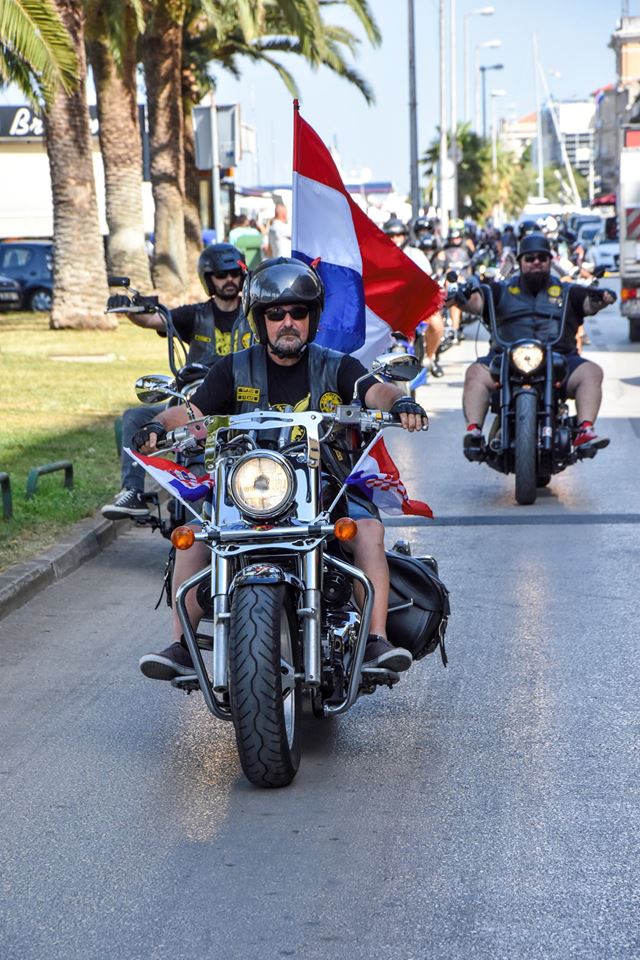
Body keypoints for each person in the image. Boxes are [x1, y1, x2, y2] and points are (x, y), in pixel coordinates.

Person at [132, 257, 429, 682]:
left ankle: (375, 639)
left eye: (298, 313)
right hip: (247, 489)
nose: (287, 321)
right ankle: (182, 644)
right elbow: (191, 411)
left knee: (369, 530)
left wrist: (398, 401)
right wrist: (157, 426)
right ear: (260, 320)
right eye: (276, 314)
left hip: (326, 485)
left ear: (312, 318)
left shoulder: (336, 365)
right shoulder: (233, 369)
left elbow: (373, 390)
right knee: (194, 534)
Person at [102, 243, 252, 520]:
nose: (229, 280)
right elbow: (155, 319)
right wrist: (130, 308)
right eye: (221, 275)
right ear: (208, 279)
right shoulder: (195, 315)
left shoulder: (254, 315)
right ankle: (133, 492)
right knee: (135, 417)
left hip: (238, 400)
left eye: (234, 273)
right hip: (193, 399)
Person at [459, 233, 616, 458]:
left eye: (542, 258)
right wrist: (458, 298)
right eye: (530, 258)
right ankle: (474, 433)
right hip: (505, 357)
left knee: (592, 372)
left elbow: (589, 303)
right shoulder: (499, 290)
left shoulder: (567, 291)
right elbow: (475, 303)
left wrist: (603, 298)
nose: (536, 263)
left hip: (560, 357)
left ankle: (585, 430)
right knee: (475, 372)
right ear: (520, 262)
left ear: (550, 261)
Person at [382, 218, 446, 378]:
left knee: (437, 324)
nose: (396, 239)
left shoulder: (416, 254)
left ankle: (429, 358)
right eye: (392, 235)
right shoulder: (378, 254)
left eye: (399, 235)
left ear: (405, 236)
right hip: (386, 305)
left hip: (415, 305)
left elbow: (429, 280)